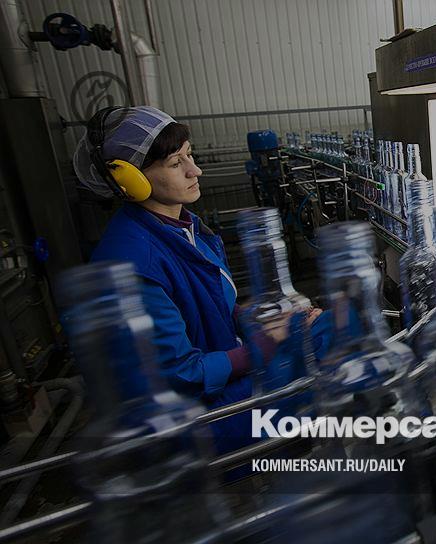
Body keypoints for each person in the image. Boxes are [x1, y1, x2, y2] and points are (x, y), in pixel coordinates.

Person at [73, 106, 318, 454]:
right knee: (318, 384)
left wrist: (266, 319)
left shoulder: (187, 229)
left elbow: (215, 307)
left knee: (318, 340)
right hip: (188, 422)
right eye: (176, 163)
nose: (195, 170)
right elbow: (179, 374)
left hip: (217, 383)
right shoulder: (133, 263)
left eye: (190, 155)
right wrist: (261, 348)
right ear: (131, 180)